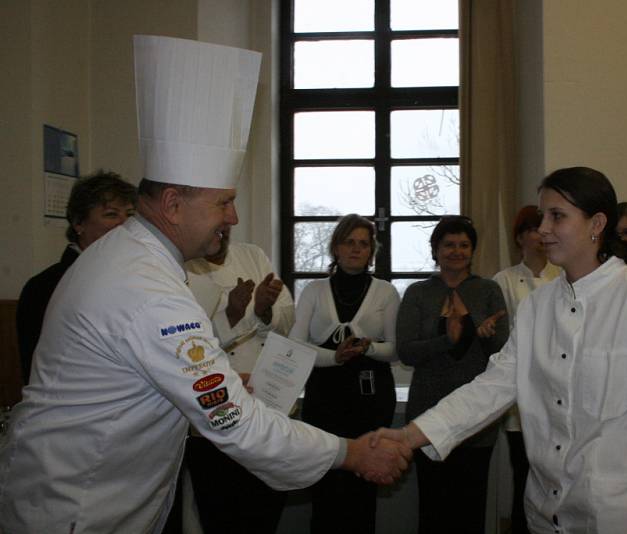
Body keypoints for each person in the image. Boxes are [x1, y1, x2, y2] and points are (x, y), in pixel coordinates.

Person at [0, 35, 409, 534]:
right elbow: (232, 420)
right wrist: (347, 451)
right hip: (80, 504)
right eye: (223, 202)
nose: (232, 216)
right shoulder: (145, 286)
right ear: (173, 204)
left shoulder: (129, 256)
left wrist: (217, 379)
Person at [375, 167, 627, 533]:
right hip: (547, 515)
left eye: (557, 216)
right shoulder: (537, 307)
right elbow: (492, 387)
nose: (542, 228)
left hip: (622, 518)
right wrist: (409, 436)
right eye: (542, 216)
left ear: (597, 224)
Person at [396, 215, 508, 534]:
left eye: (463, 245)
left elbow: (503, 354)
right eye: (448, 245)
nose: (456, 251)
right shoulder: (418, 293)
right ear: (435, 250)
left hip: (477, 419)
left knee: (470, 509)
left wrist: (485, 335)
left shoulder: (488, 290)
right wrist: (448, 340)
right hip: (428, 416)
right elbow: (406, 351)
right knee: (433, 509)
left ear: (472, 251)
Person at [290, 214, 401, 534]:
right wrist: (335, 357)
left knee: (364, 486)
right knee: (325, 482)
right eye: (349, 242)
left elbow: (395, 350)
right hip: (324, 396)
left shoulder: (386, 292)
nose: (356, 249)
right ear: (336, 247)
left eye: (363, 244)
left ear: (371, 252)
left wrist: (368, 349)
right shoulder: (313, 290)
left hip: (371, 397)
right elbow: (296, 346)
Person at [184, 230, 295, 533]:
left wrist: (263, 309)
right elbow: (189, 349)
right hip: (212, 416)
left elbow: (286, 317)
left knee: (264, 506)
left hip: (263, 406)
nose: (224, 227)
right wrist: (232, 314)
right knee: (220, 512)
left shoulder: (253, 255)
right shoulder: (182, 268)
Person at [16, 170, 136, 384]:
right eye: (111, 214)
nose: (124, 224)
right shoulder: (45, 286)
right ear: (79, 223)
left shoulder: (129, 275)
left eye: (129, 215)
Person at [492, 205, 559, 534]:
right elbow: (503, 341)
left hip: (558, 389)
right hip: (520, 392)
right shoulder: (504, 280)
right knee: (524, 474)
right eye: (534, 229)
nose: (542, 234)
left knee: (556, 478)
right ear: (520, 237)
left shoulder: (561, 276)